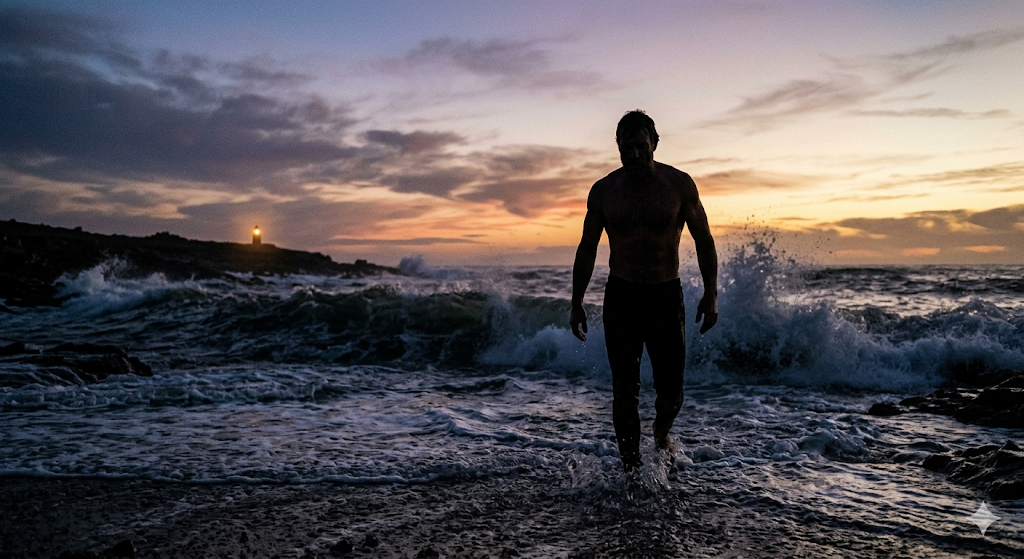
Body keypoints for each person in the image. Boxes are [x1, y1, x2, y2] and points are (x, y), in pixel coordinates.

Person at [570, 110, 718, 471]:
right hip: (622, 296)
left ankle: (661, 431)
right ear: (618, 147)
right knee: (625, 390)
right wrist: (576, 302)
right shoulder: (604, 191)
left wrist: (711, 294)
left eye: (641, 146)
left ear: (654, 144)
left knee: (671, 391)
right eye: (627, 148)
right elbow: (587, 248)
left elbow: (704, 240)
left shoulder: (678, 185)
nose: (634, 154)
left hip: (665, 295)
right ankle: (632, 470)